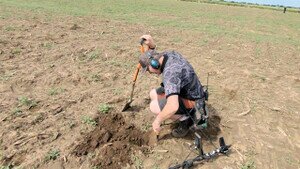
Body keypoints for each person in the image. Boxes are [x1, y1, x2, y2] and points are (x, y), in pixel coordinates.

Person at [139, 35, 206, 138]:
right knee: (153, 94)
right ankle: (183, 115)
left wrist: (157, 121)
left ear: (154, 65)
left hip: (194, 100)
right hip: (187, 90)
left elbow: (172, 106)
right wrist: (151, 46)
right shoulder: (167, 55)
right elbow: (154, 55)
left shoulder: (170, 74)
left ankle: (186, 120)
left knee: (154, 107)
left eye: (148, 70)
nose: (149, 72)